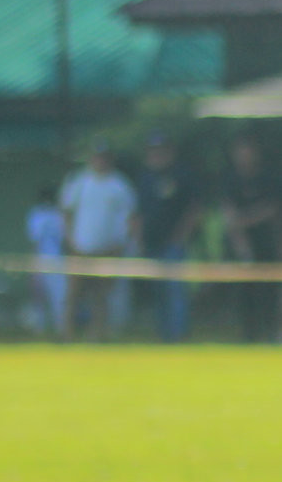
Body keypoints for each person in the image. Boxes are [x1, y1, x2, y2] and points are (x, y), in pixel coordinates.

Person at [59, 142, 137, 340]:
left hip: (108, 250)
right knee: (73, 295)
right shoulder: (79, 182)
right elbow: (67, 212)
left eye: (104, 157)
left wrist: (121, 244)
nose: (100, 161)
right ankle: (67, 335)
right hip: (80, 249)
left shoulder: (120, 185)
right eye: (97, 157)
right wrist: (70, 242)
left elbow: (131, 218)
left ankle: (98, 335)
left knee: (101, 296)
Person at [133, 131, 202, 342]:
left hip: (173, 244)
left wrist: (181, 236)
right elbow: (139, 213)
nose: (157, 156)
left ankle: (179, 335)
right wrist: (139, 240)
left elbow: (195, 209)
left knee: (175, 291)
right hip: (152, 243)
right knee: (159, 292)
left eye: (161, 151)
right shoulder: (145, 178)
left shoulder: (182, 175)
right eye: (153, 151)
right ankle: (163, 336)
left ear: (170, 152)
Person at [220, 134, 282, 344]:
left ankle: (271, 333)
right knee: (243, 293)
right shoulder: (230, 180)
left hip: (266, 246)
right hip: (241, 247)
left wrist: (245, 220)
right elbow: (228, 214)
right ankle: (248, 335)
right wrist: (241, 245)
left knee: (269, 291)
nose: (244, 156)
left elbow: (273, 210)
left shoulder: (268, 178)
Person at [24, 184, 68, 338]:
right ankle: (40, 329)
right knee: (39, 296)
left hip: (56, 260)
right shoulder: (37, 214)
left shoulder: (59, 214)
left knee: (59, 297)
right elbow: (35, 240)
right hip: (43, 259)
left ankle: (60, 329)